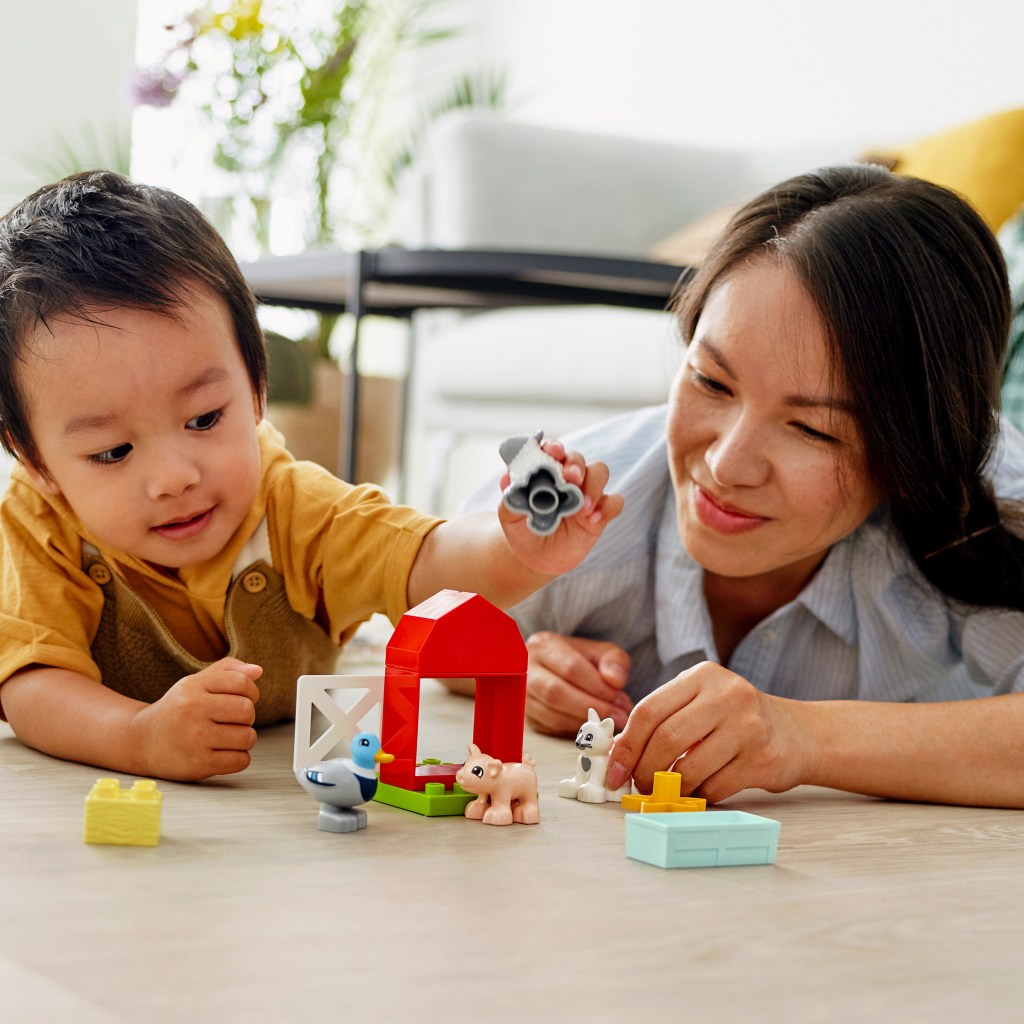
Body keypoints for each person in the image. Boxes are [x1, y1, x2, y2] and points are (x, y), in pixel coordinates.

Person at [0, 171, 622, 783]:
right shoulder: (38, 523)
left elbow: (421, 563)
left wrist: (515, 548)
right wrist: (138, 737)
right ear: (36, 462)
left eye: (205, 417)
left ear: (258, 390)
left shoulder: (291, 503)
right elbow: (32, 684)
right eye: (113, 452)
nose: (173, 477)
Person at [466, 163, 1024, 809]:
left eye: (812, 429)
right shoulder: (580, 494)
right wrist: (513, 673)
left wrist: (807, 738)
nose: (729, 465)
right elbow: (419, 623)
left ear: (914, 452)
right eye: (711, 381)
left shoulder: (987, 506)